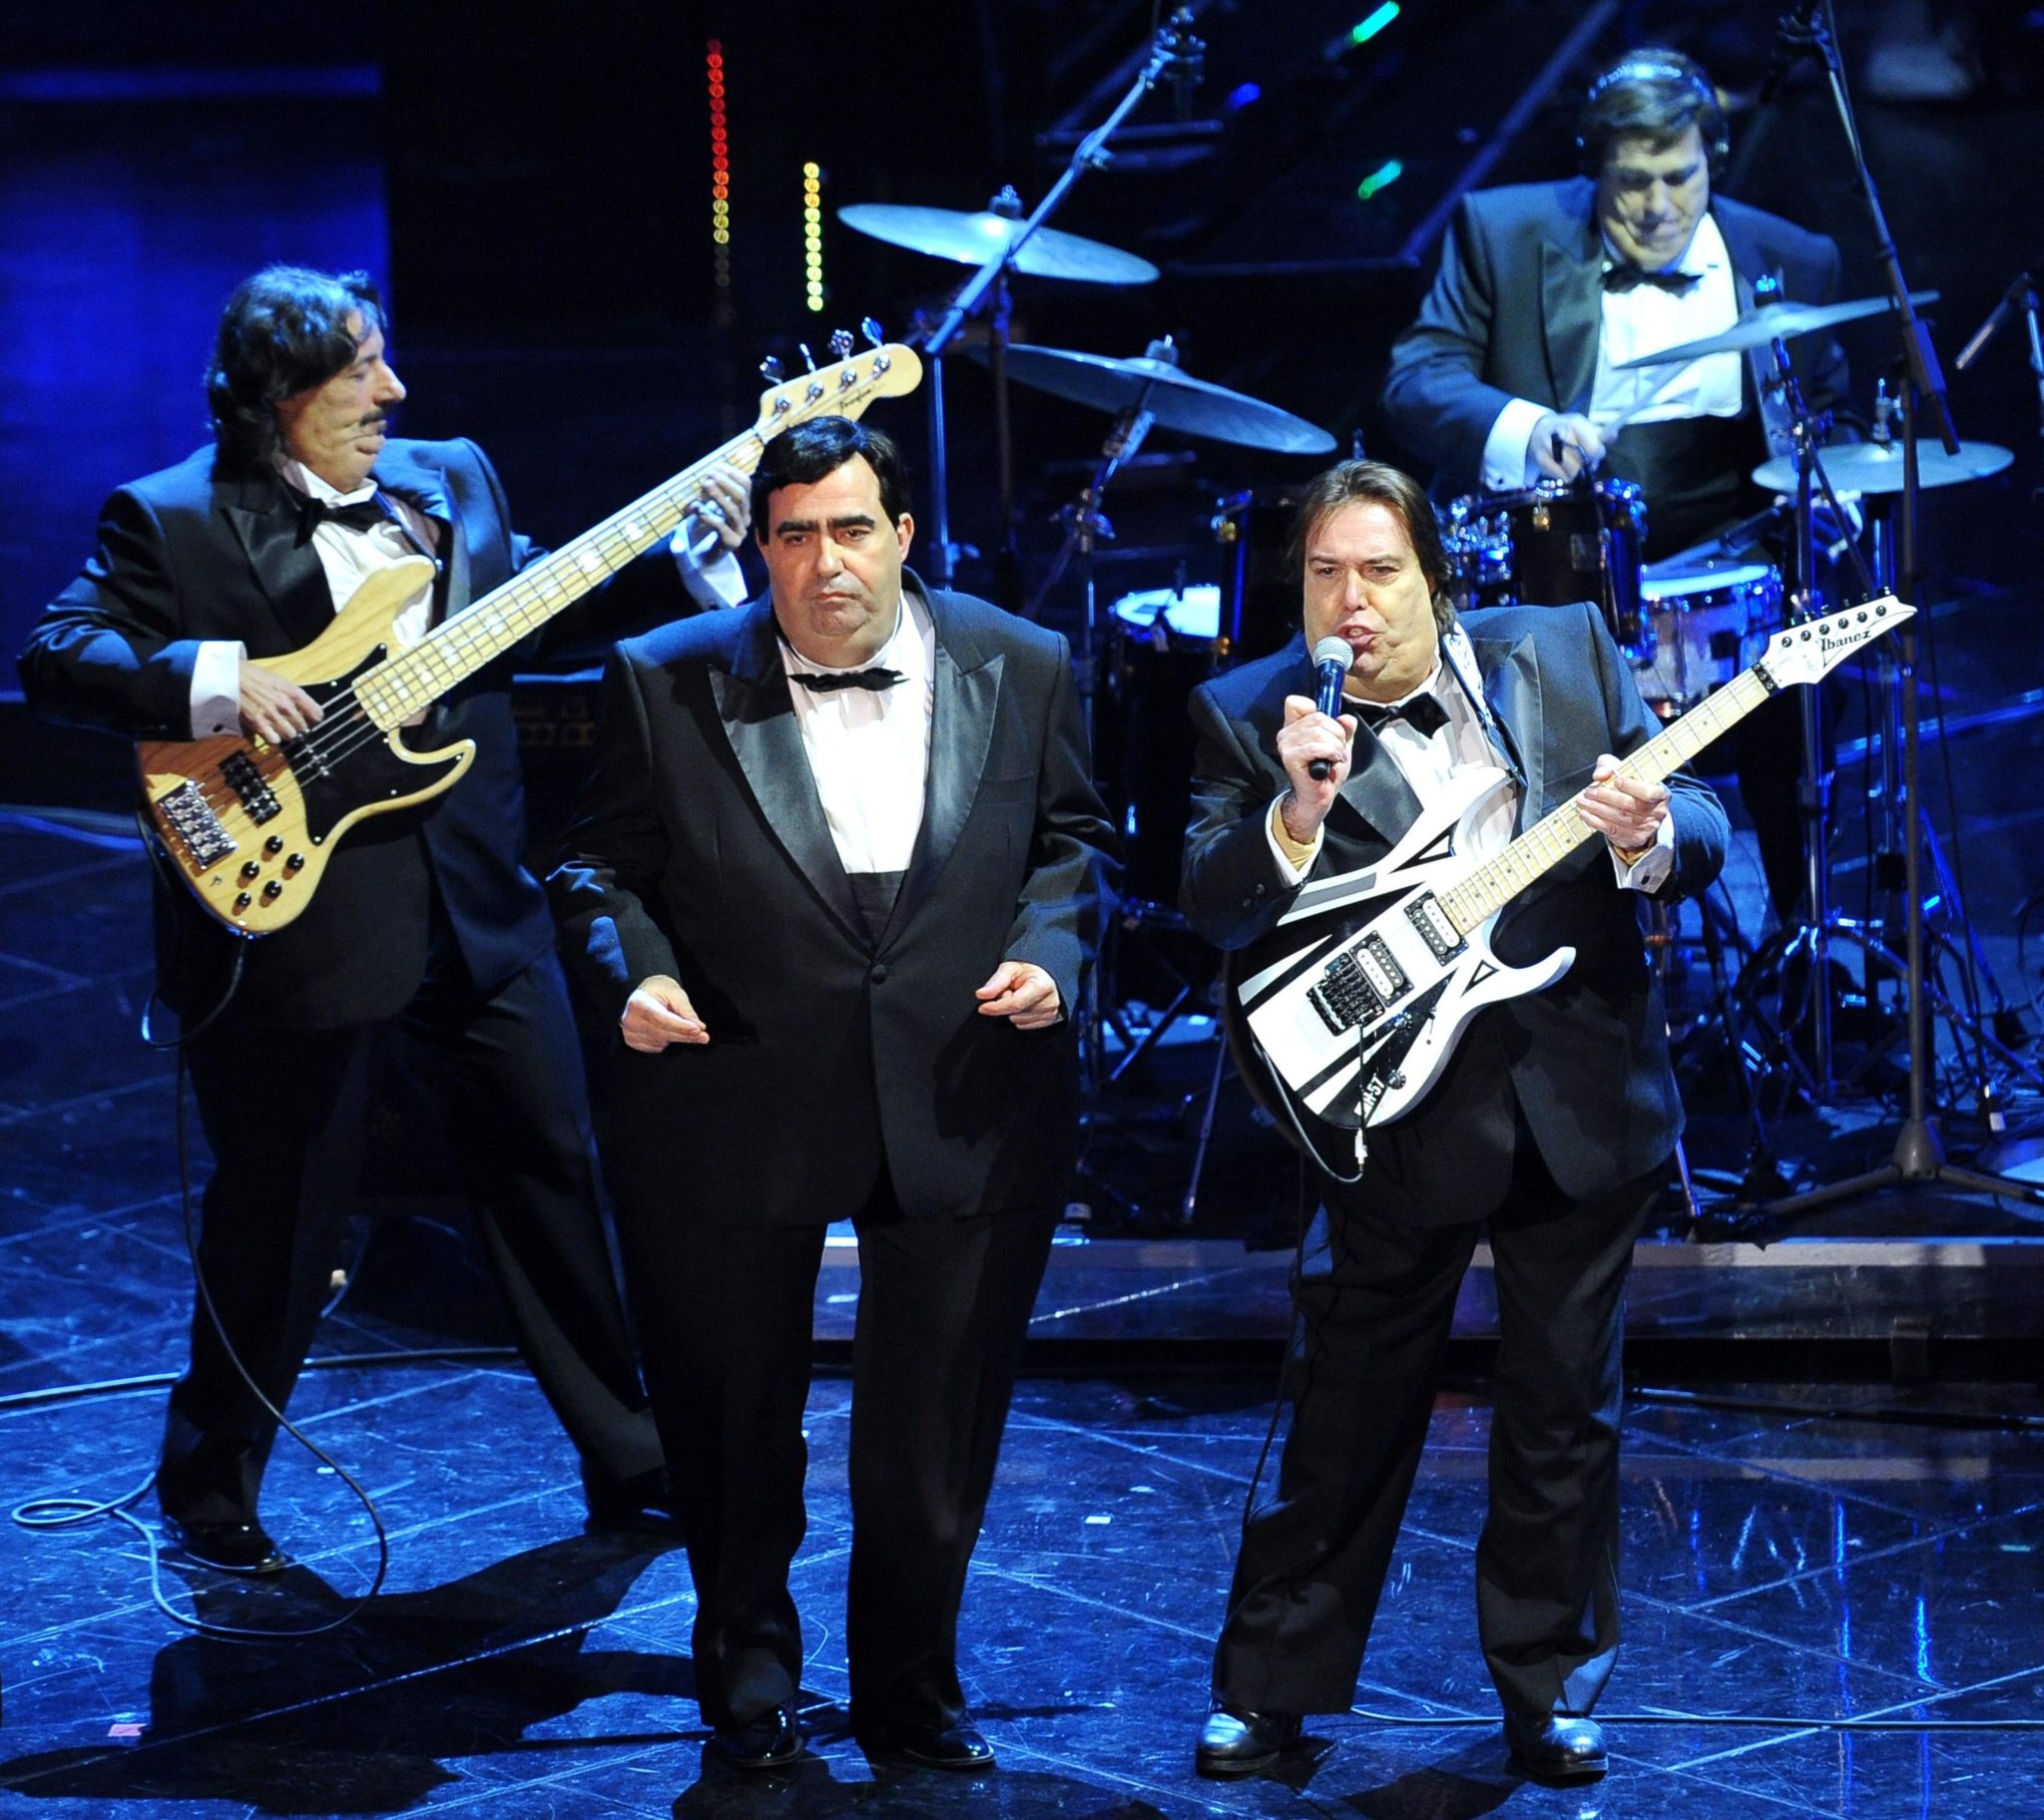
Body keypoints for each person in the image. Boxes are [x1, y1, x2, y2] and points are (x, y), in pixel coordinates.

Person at [17, 264, 748, 1574]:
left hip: (474, 899)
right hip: (296, 902)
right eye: (359, 370)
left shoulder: (450, 478)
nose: (392, 390)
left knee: (549, 1168)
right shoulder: (173, 516)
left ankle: (633, 1458)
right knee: (284, 1206)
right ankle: (211, 1482)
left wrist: (678, 567)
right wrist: (217, 681)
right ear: (277, 397)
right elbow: (57, 654)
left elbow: (526, 619)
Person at [547, 416, 1116, 1774]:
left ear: (904, 535)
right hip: (735, 1093)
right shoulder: (664, 676)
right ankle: (747, 1682)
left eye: (852, 529)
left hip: (961, 1092)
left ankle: (911, 1692)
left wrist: (1051, 951)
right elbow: (592, 869)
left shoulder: (1022, 661)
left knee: (932, 1438)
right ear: (760, 550)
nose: (826, 563)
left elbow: (1076, 843)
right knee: (732, 1425)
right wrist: (634, 971)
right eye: (793, 537)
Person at [1181, 462, 1727, 1784]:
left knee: (1564, 1412)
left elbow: (1703, 819)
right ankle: (1269, 1686)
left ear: (1435, 575)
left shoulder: (1564, 646)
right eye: (1324, 574)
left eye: (1379, 570)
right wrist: (1294, 816)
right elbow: (1209, 900)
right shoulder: (1249, 714)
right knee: (1345, 1411)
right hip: (1390, 1115)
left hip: (1576, 1087)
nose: (1351, 602)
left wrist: (1649, 836)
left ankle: (1549, 1690)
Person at [1380, 46, 1845, 922]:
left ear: (1713, 160)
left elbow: (1828, 416)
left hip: (1728, 573)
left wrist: (1837, 490)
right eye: (1633, 182)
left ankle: (1800, 938)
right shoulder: (1502, 231)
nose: (1659, 207)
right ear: (1596, 170)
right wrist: (1527, 429)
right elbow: (1417, 379)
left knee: (1813, 701)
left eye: (1680, 178)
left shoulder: (1793, 258)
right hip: (1556, 583)